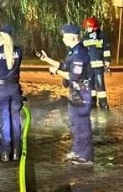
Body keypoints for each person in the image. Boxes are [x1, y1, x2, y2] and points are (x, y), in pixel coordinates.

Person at [38, 24, 94, 166]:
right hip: (75, 93)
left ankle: (85, 157)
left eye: (65, 36)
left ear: (73, 37)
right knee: (75, 124)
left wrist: (55, 71)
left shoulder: (80, 54)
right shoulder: (73, 52)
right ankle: (77, 151)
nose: (63, 39)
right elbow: (64, 65)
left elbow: (73, 76)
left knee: (82, 125)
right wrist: (47, 59)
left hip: (82, 94)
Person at [0, 24, 24, 162]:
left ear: (0, 38)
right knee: (15, 122)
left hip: (0, 90)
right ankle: (16, 153)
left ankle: (5, 154)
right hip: (14, 89)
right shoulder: (18, 51)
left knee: (4, 122)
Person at [82, 16, 111, 110]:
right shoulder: (85, 38)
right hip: (88, 67)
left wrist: (107, 62)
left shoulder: (102, 37)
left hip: (98, 66)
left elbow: (106, 50)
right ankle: (92, 103)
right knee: (90, 86)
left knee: (100, 85)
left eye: (89, 27)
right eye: (87, 27)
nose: (88, 29)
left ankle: (103, 104)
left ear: (95, 27)